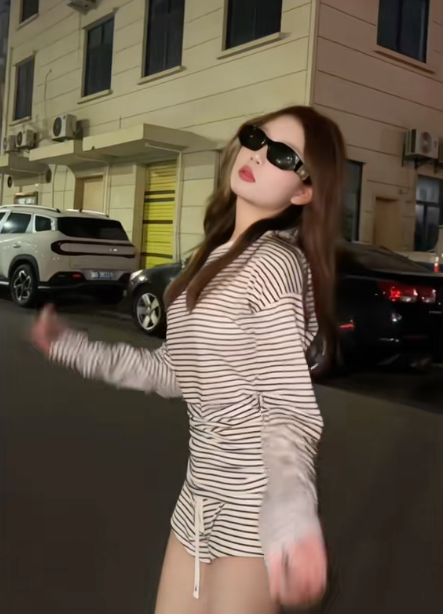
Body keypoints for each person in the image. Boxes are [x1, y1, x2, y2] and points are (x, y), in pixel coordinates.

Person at [31, 105, 346, 614]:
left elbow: (288, 406)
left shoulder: (275, 264)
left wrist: (293, 514)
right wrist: (72, 348)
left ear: (304, 191)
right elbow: (173, 370)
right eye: (256, 138)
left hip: (252, 504)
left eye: (283, 155)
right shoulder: (213, 256)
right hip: (197, 496)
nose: (258, 155)